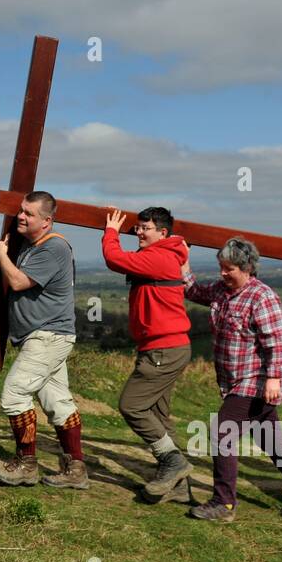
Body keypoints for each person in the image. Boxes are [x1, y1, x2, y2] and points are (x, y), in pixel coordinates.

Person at [182, 237, 282, 522]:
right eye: (221, 267)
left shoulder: (261, 297)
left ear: (246, 268)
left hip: (254, 380)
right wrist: (184, 260)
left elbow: (277, 343)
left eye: (228, 268)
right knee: (270, 439)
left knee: (222, 432)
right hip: (234, 379)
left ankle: (224, 503)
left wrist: (273, 379)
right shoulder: (222, 291)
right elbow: (194, 291)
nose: (222, 273)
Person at [0, 191, 86, 489]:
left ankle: (26, 464)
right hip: (42, 336)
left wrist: (1, 255)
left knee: (14, 395)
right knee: (57, 402)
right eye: (21, 211)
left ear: (47, 221)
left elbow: (17, 280)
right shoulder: (30, 246)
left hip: (48, 335)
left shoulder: (54, 248)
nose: (21, 217)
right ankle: (76, 469)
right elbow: (10, 280)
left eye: (29, 214)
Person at [101, 206, 194, 504]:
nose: (139, 232)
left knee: (132, 406)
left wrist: (112, 232)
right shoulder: (167, 253)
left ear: (163, 233)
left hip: (163, 349)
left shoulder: (160, 256)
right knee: (159, 416)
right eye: (138, 227)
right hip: (165, 347)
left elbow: (115, 259)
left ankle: (173, 462)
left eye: (146, 228)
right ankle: (180, 488)